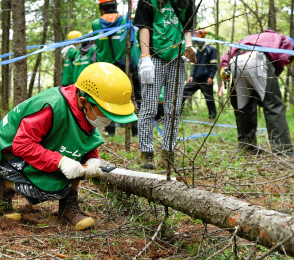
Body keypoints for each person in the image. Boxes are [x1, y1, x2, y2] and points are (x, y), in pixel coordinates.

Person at [0, 63, 137, 231]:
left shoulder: (84, 109)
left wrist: (92, 158)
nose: (109, 120)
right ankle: (0, 187)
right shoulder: (52, 106)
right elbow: (22, 144)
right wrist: (60, 162)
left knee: (72, 165)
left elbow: (81, 140)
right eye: (106, 113)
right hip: (8, 153)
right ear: (84, 101)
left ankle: (67, 206)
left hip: (34, 147)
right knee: (52, 187)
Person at [134, 0, 195, 169]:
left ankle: (168, 152)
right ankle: (146, 153)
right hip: (154, 58)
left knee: (173, 109)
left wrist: (188, 47)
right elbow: (144, 26)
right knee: (149, 108)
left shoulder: (187, 1)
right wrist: (145, 57)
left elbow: (187, 27)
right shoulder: (148, 1)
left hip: (177, 60)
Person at [220, 30, 294, 154]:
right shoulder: (285, 40)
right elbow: (282, 58)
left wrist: (225, 66)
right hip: (259, 59)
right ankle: (283, 149)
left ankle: (246, 146)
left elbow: (229, 52)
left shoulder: (251, 37)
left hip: (236, 61)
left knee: (243, 107)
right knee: (273, 105)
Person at [92, 0, 139, 137]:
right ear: (115, 6)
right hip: (126, 66)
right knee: (131, 97)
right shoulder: (126, 19)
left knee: (107, 98)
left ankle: (109, 131)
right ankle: (135, 131)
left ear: (101, 8)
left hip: (106, 69)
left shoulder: (96, 24)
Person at [183, 30, 218, 119]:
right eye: (196, 40)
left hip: (206, 79)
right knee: (183, 92)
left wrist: (211, 76)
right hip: (196, 79)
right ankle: (177, 113)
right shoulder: (197, 51)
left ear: (203, 38)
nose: (198, 42)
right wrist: (191, 75)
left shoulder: (211, 49)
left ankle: (212, 117)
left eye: (199, 39)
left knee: (209, 99)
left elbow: (214, 65)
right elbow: (195, 65)